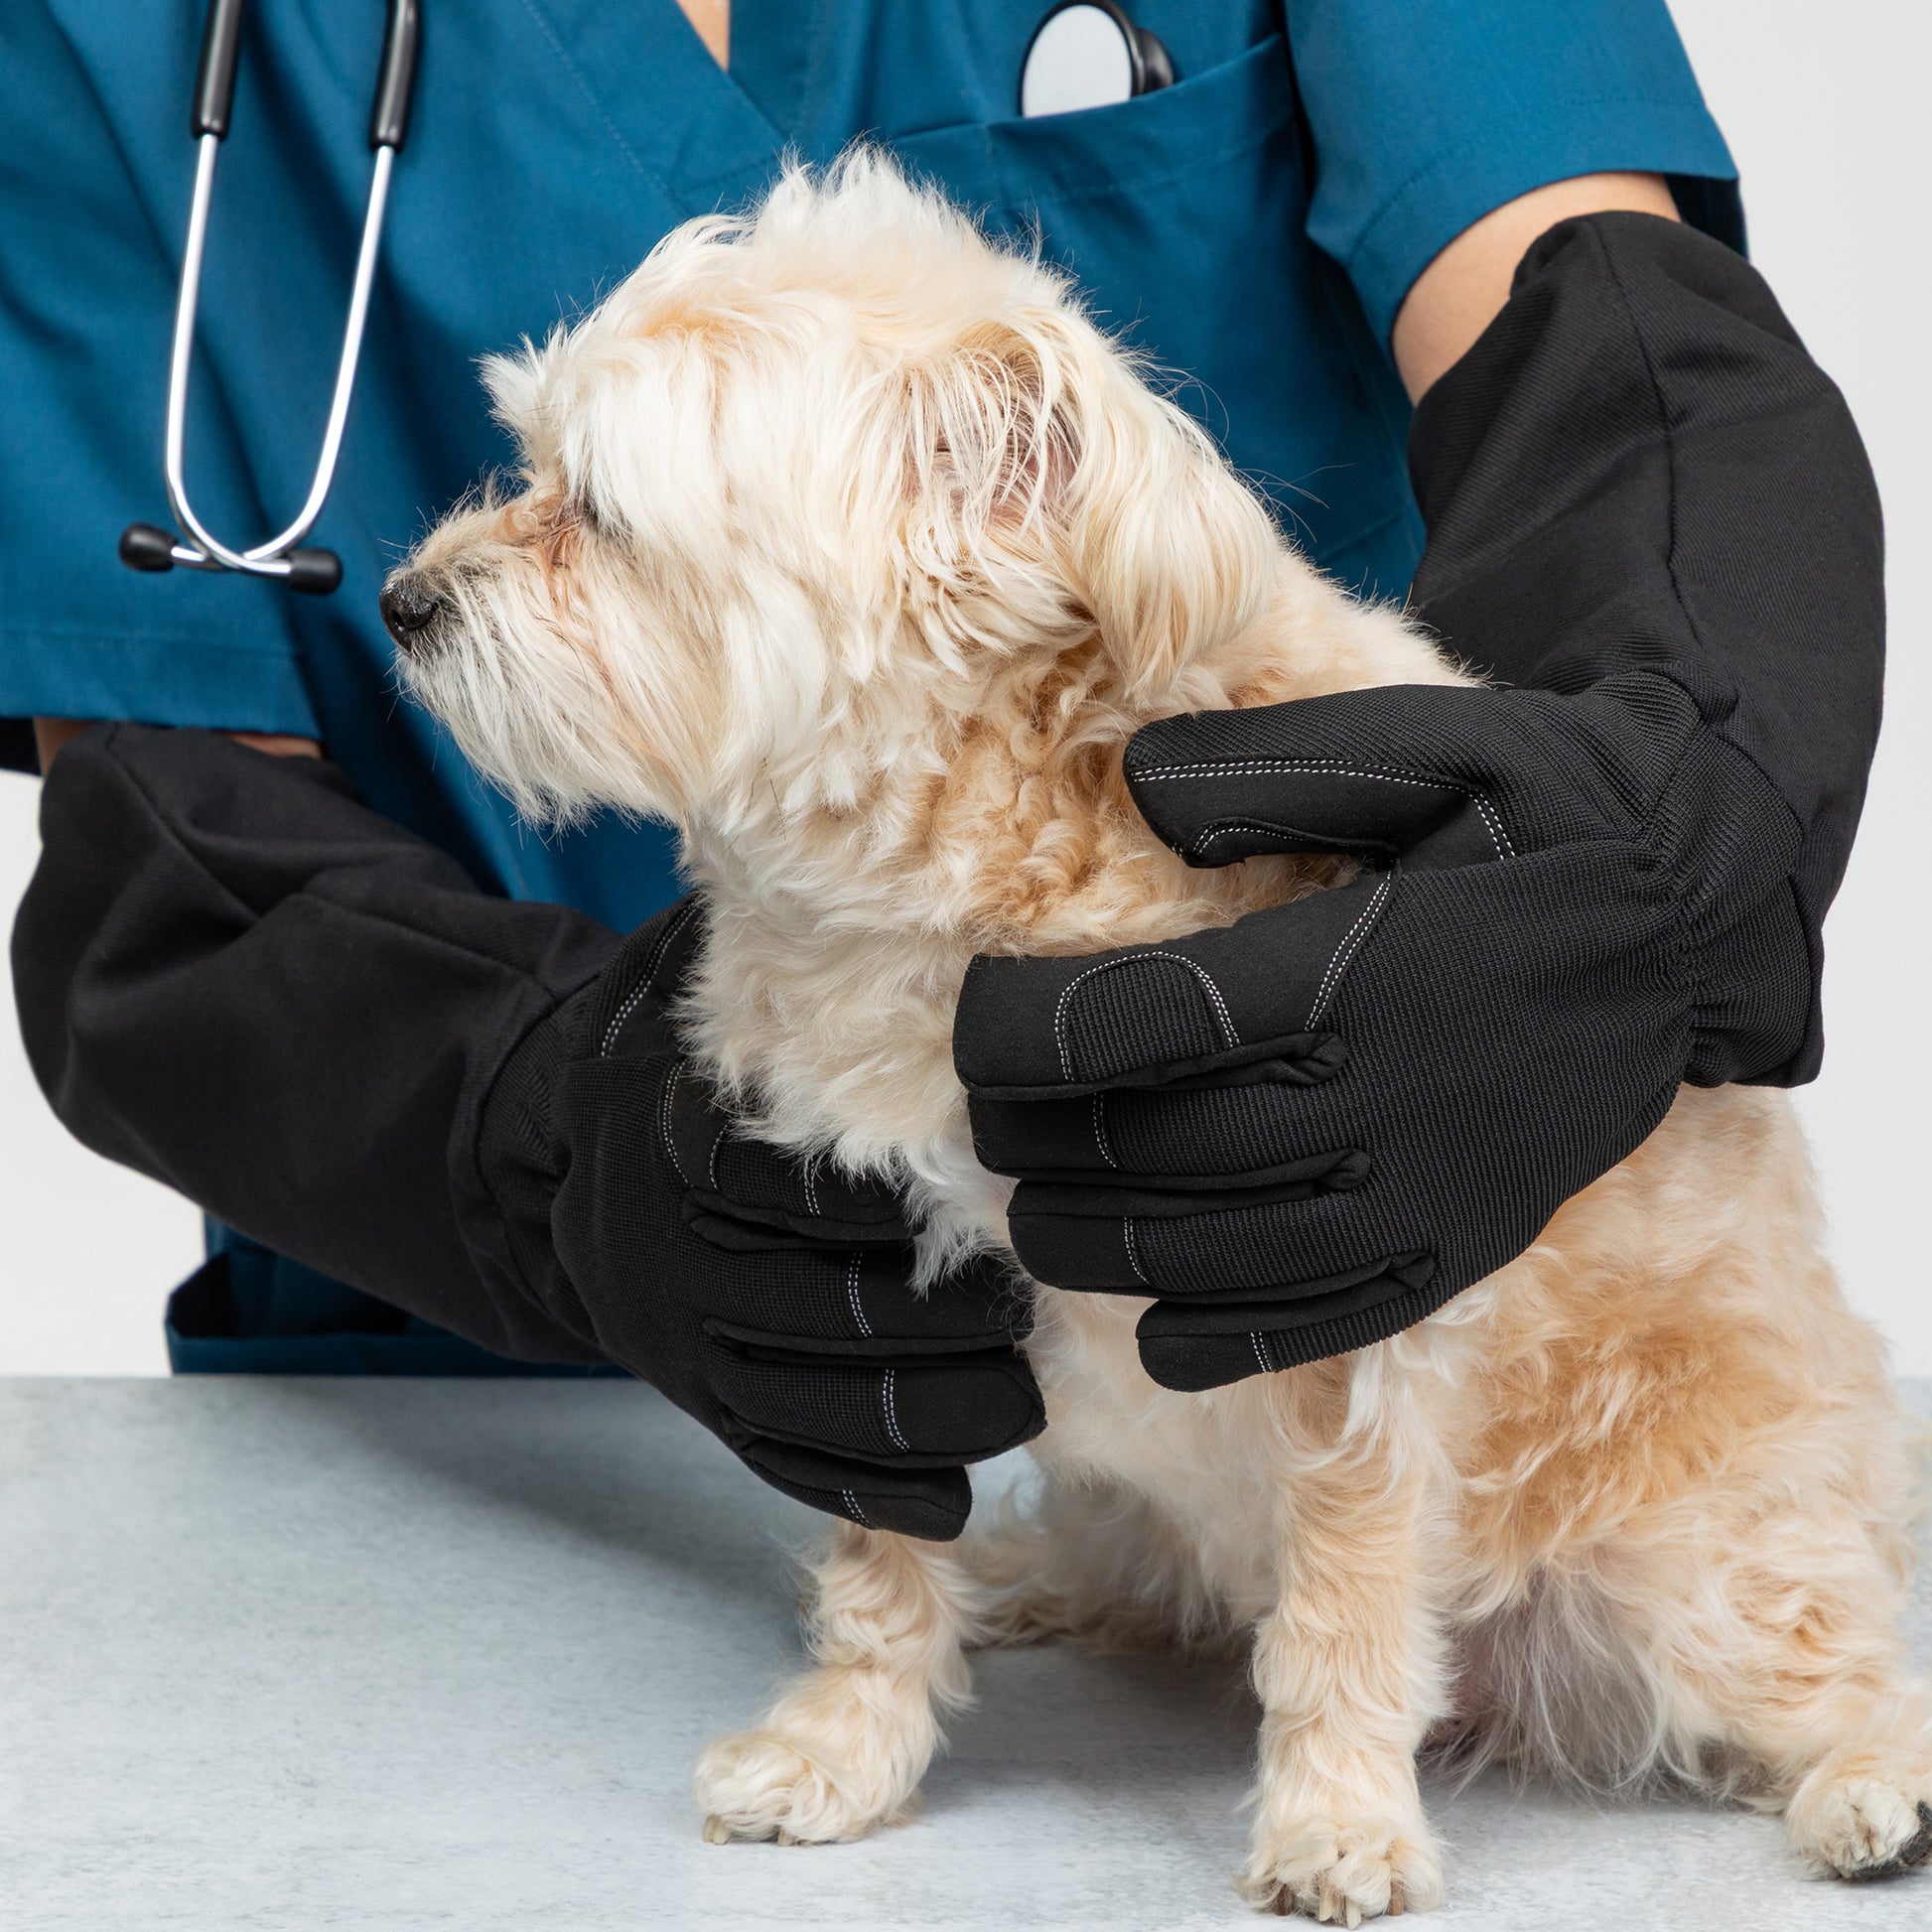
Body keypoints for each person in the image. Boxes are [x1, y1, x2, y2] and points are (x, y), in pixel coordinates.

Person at [3, 3, 1880, 1537]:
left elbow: (1608, 341)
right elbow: (171, 864)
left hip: (1311, 1306)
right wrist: (551, 1135)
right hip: (463, 1445)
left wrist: (1661, 807)